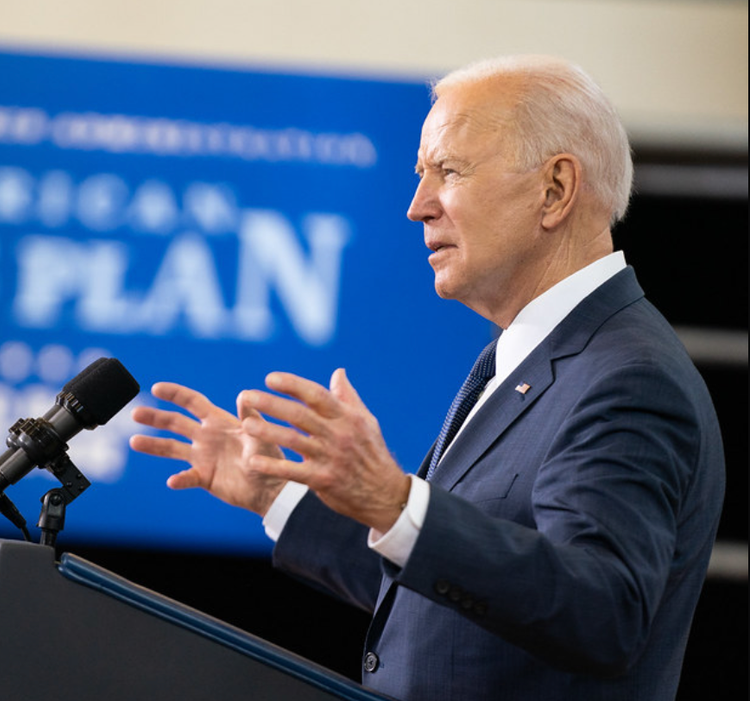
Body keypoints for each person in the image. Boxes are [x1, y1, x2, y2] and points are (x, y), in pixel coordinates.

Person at [130, 55, 724, 701]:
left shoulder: (627, 376)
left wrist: (394, 501)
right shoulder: (518, 357)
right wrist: (277, 495)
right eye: (421, 175)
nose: (417, 207)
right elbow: (448, 599)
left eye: (448, 171)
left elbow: (601, 610)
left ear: (554, 190)